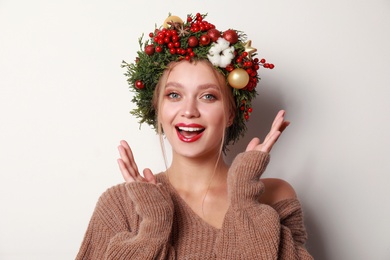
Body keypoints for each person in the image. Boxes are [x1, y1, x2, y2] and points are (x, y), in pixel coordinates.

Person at [76, 13, 313, 259]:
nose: (189, 111)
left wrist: (245, 204)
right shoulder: (119, 205)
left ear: (231, 113)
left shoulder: (274, 196)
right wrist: (153, 230)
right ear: (157, 107)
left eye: (208, 96)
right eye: (174, 95)